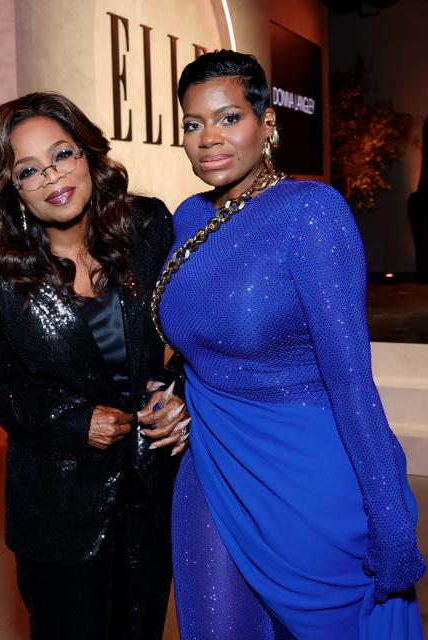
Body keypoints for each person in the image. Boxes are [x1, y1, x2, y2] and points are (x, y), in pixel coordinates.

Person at [156, 50, 424, 639]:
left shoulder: (312, 214)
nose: (208, 139)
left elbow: (351, 378)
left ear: (267, 121)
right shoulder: (188, 218)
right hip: (212, 463)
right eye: (192, 123)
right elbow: (194, 340)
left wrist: (390, 515)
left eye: (228, 118)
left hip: (304, 474)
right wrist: (173, 391)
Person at [0, 92, 187, 639]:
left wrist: (180, 396)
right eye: (29, 170)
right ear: (10, 186)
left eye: (62, 154)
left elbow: (192, 331)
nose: (52, 177)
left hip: (150, 491)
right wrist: (72, 422)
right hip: (57, 503)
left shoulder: (147, 227)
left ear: (87, 154)